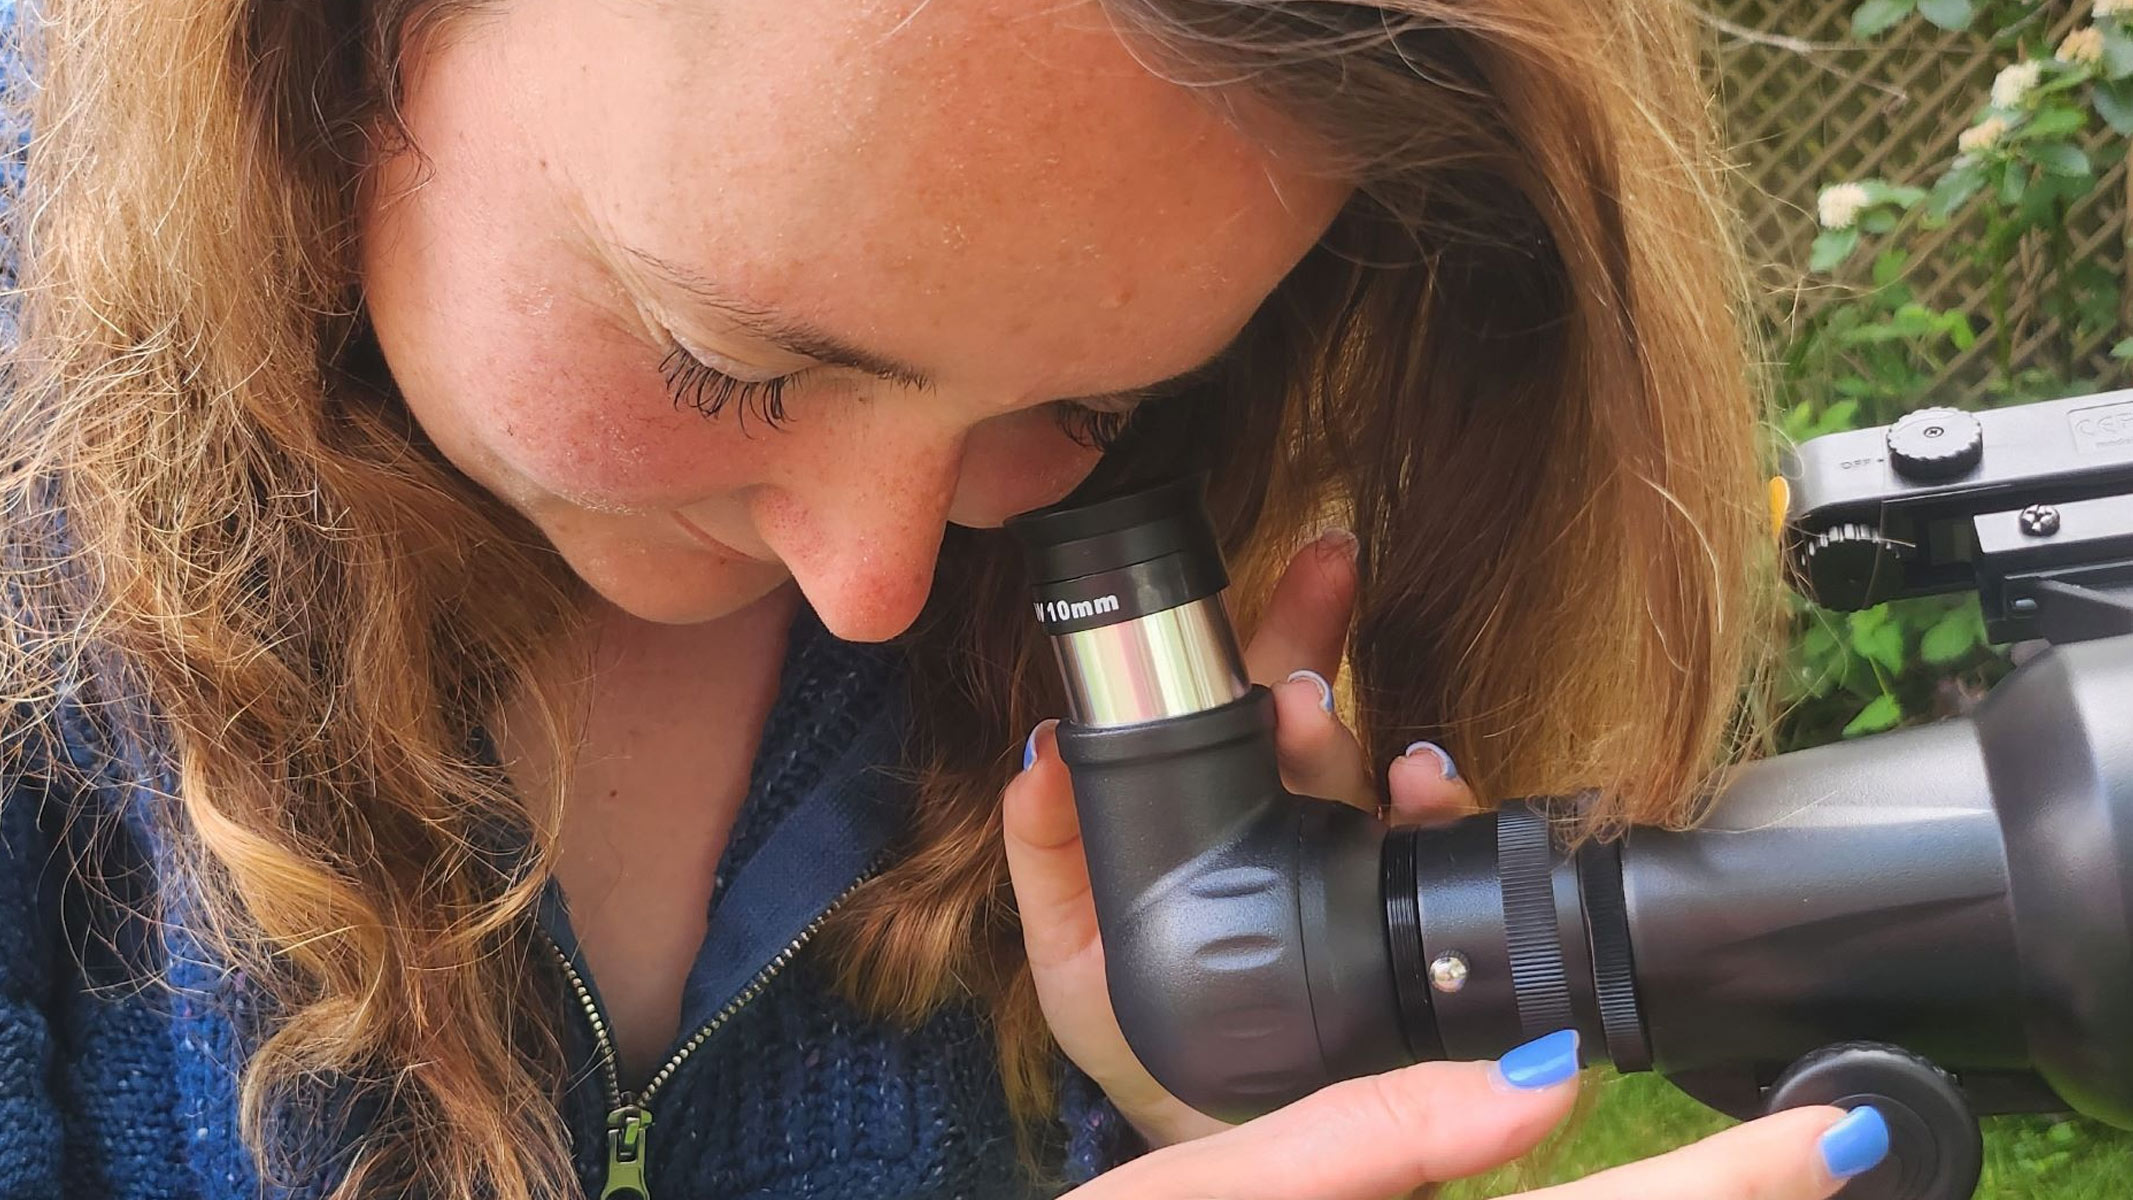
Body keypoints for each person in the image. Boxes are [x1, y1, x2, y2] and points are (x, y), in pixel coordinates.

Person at [0, 0, 1893, 1196]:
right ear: (316, 41)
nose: (877, 585)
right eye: (721, 357)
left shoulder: (1195, 546)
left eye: (1086, 401)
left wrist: (1194, 1115)